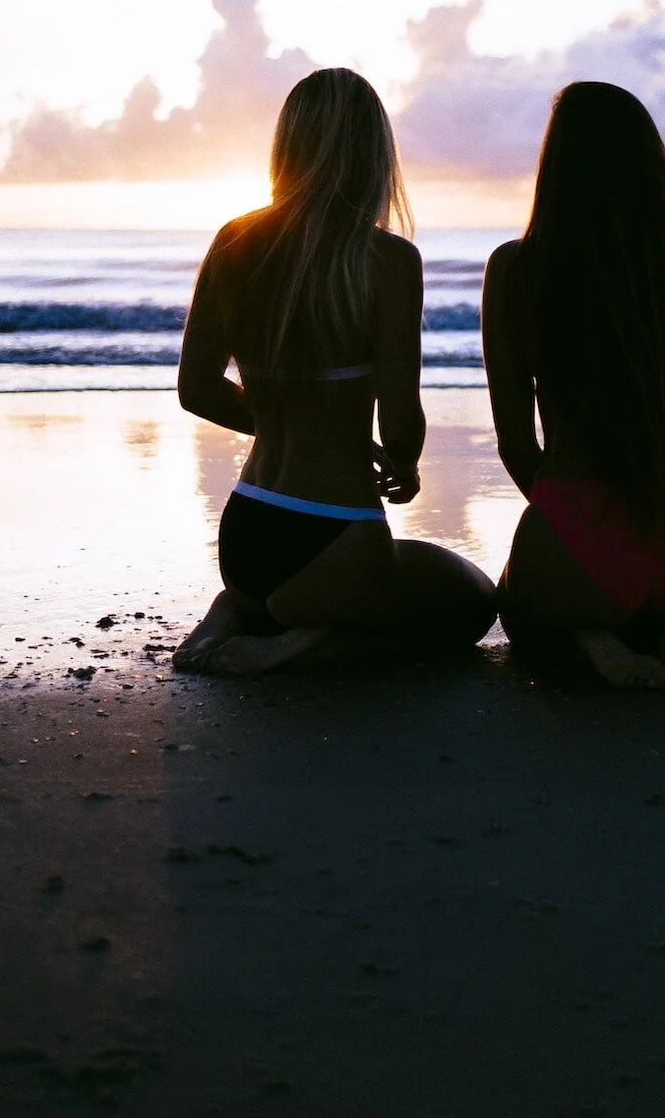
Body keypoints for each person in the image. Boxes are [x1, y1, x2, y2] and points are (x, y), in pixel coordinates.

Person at [171, 68, 497, 675]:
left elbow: (195, 388)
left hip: (245, 533)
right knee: (473, 605)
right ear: (373, 155)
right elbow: (400, 420)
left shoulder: (234, 240)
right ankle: (303, 645)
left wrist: (276, 419)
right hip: (337, 532)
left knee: (324, 585)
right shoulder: (389, 260)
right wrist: (400, 460)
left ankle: (238, 610)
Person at [483, 81, 665, 690]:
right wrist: (655, 493)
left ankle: (596, 644)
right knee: (663, 598)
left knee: (517, 609)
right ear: (653, 169)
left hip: (577, 524)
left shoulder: (517, 271)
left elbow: (517, 447)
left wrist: (571, 525)